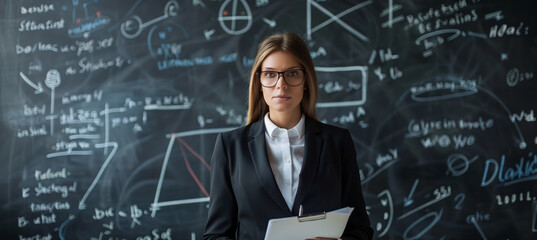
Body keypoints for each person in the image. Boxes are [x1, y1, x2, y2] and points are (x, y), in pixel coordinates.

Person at [203, 32, 373, 240]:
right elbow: (216, 235)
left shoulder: (338, 143)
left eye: (292, 73)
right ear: (259, 82)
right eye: (270, 74)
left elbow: (360, 230)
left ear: (306, 80)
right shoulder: (231, 147)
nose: (280, 84)